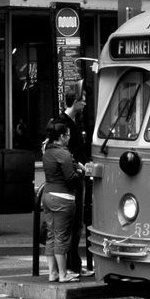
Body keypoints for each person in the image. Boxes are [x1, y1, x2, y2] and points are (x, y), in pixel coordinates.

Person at [41, 121, 84, 283]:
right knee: (62, 237)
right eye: (67, 135)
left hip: (47, 196)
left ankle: (52, 273)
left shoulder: (47, 152)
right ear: (61, 137)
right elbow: (70, 178)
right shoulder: (63, 154)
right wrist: (81, 175)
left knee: (51, 236)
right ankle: (64, 274)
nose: (69, 138)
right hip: (63, 198)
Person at [58, 87, 91, 274]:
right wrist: (79, 164)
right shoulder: (61, 123)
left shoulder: (73, 122)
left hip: (78, 177)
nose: (85, 103)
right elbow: (60, 151)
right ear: (76, 101)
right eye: (83, 100)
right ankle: (71, 265)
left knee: (77, 222)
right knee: (72, 222)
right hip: (70, 179)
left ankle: (75, 264)